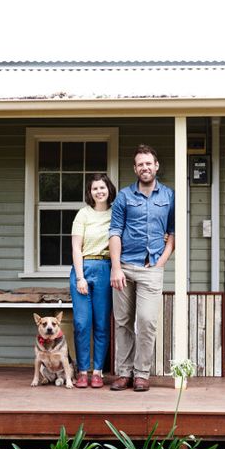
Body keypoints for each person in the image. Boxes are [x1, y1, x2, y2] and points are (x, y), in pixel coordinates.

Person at [109, 145, 175, 392]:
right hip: (124, 266)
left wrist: (161, 261)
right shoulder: (124, 197)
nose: (145, 167)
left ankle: (142, 373)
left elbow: (173, 233)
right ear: (135, 169)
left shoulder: (169, 196)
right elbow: (115, 232)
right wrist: (116, 267)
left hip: (151, 268)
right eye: (140, 164)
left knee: (147, 321)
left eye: (149, 163)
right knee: (123, 322)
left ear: (156, 166)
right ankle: (124, 373)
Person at [70, 173, 117, 389]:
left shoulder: (116, 213)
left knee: (101, 324)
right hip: (84, 269)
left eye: (102, 187)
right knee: (81, 323)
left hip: (106, 268)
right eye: (95, 188)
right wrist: (80, 277)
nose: (99, 191)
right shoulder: (83, 214)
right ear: (90, 192)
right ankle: (82, 371)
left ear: (109, 189)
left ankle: (97, 371)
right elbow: (76, 248)